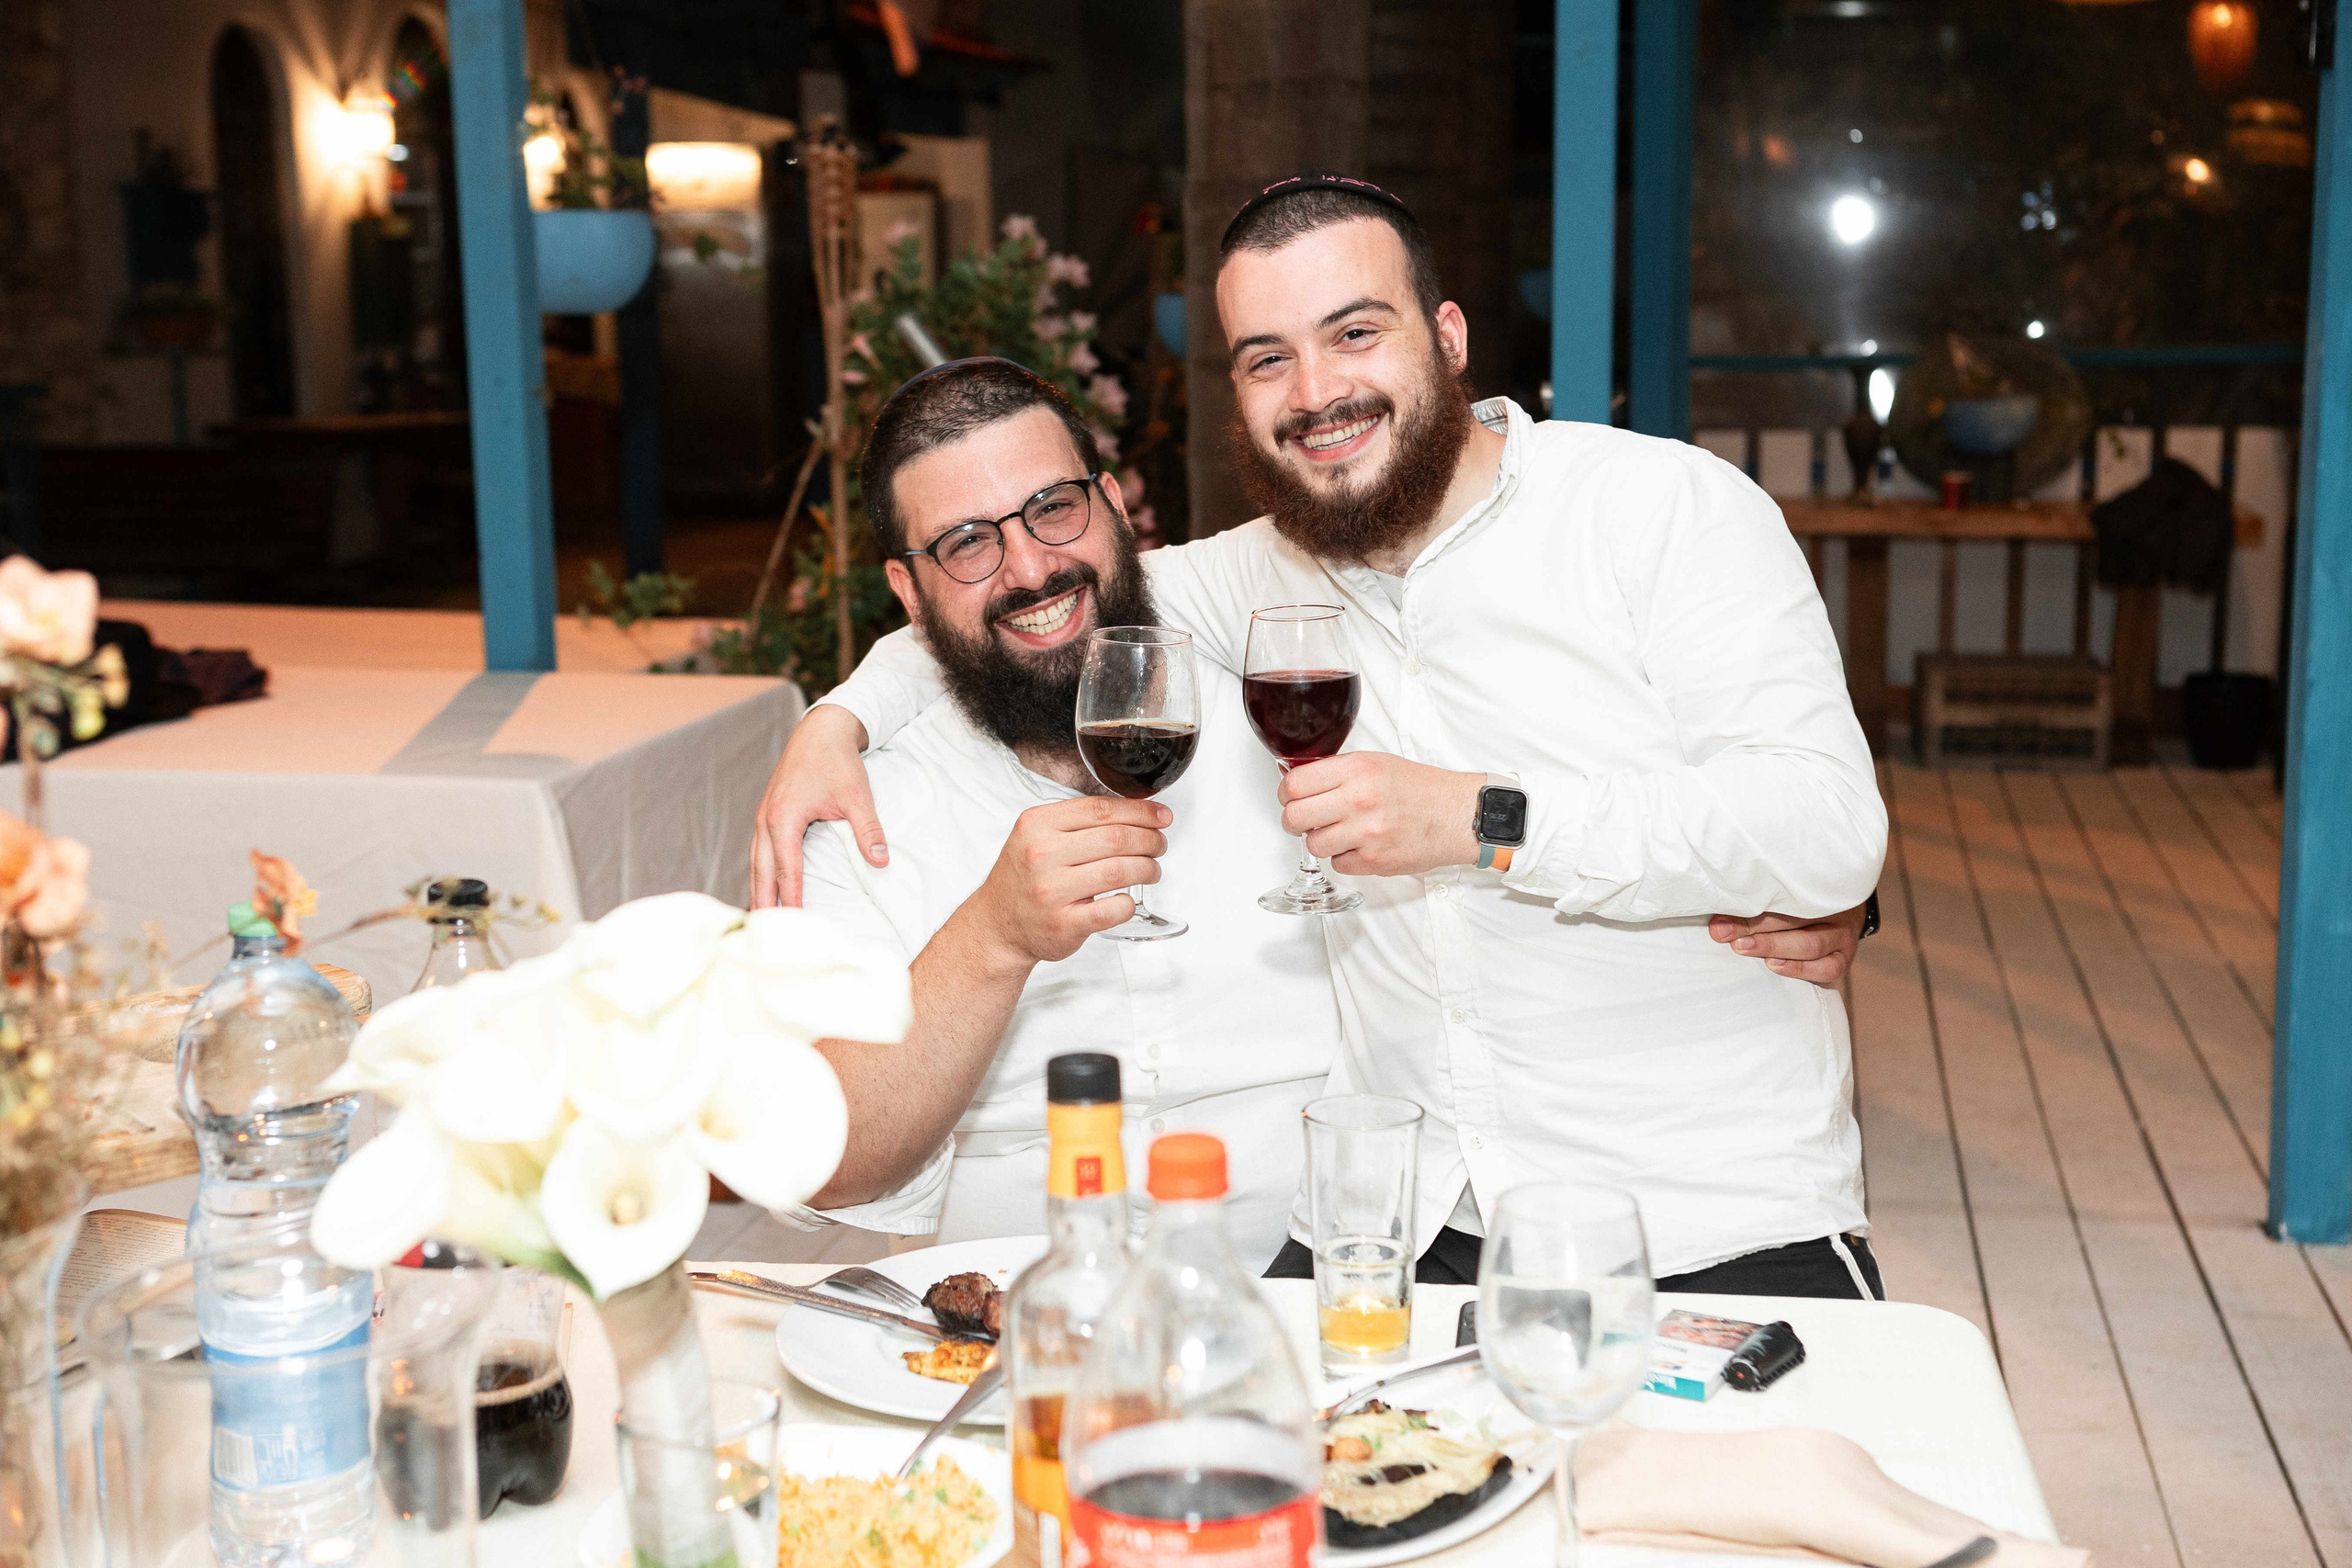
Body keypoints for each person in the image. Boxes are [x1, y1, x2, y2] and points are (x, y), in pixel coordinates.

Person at [763, 174, 1889, 1299]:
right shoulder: (1262, 571)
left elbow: (1828, 826)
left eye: (1354, 333)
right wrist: (834, 720)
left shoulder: (1662, 511)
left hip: (1708, 1219)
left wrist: (1482, 817)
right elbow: (1045, 600)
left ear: (1447, 338)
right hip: (1407, 1230)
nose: (1316, 392)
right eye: (1267, 359)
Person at [778, 357, 1336, 1265]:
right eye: (966, 543)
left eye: (1054, 509)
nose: (1032, 568)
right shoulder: (851, 810)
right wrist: (992, 938)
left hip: (1314, 1308)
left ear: (1116, 508)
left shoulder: (1292, 732)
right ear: (908, 592)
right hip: (996, 1336)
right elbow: (833, 1166)